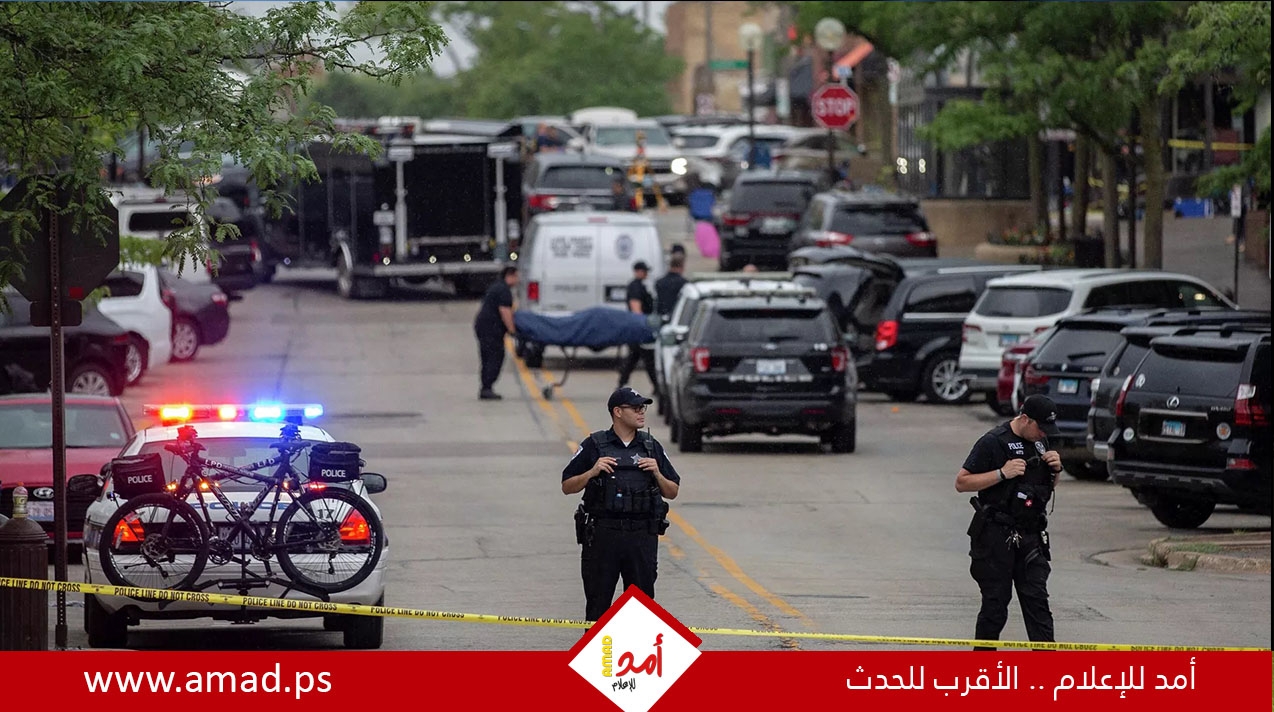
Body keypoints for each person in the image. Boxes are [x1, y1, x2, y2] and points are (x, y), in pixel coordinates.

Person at [955, 394, 1064, 650]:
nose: (1043, 434)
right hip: (996, 535)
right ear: (1025, 419)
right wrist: (1001, 473)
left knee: (1038, 602)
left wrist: (1056, 470)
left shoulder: (1040, 441)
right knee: (995, 605)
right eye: (1040, 428)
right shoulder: (993, 442)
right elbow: (962, 482)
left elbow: (1044, 486)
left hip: (1031, 535)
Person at [562, 387, 681, 620]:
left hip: (641, 536)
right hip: (603, 536)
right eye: (635, 408)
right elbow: (567, 485)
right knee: (598, 603)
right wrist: (592, 472)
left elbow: (672, 491)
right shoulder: (594, 444)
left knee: (642, 607)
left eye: (642, 408)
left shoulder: (650, 446)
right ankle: (598, 644)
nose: (641, 412)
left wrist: (657, 473)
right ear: (617, 412)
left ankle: (635, 645)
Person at [472, 265, 519, 400]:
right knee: (495, 356)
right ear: (509, 276)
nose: (518, 280)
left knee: (487, 357)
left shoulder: (497, 287)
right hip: (490, 328)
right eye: (516, 276)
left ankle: (486, 387)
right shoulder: (504, 291)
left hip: (484, 327)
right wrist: (512, 330)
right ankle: (487, 387)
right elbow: (505, 311)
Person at [617, 260, 658, 389]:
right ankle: (657, 387)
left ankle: (622, 382)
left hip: (636, 328)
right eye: (645, 271)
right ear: (638, 271)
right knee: (648, 359)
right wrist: (642, 325)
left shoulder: (639, 285)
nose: (646, 274)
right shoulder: (635, 286)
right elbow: (636, 307)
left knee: (633, 358)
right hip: (638, 329)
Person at [654, 252, 688, 321]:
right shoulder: (684, 284)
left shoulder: (659, 282)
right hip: (676, 318)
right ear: (682, 266)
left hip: (660, 318)